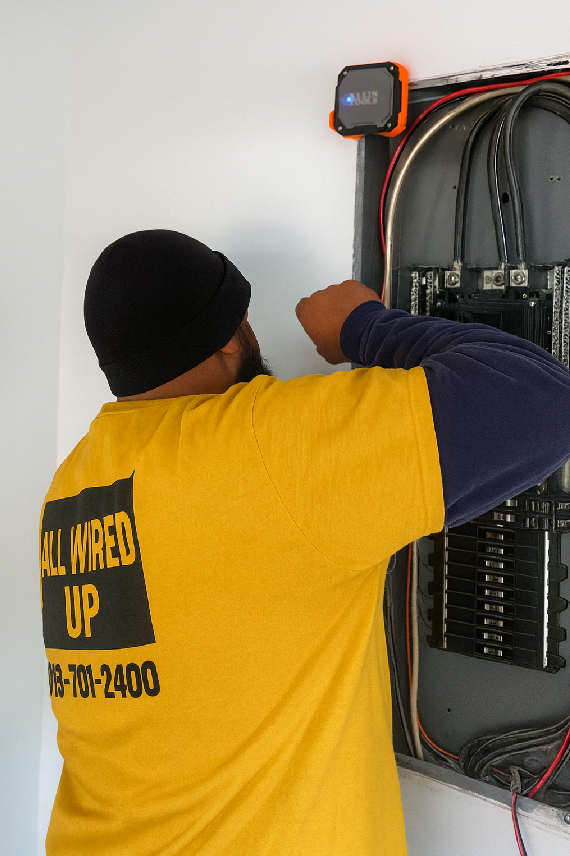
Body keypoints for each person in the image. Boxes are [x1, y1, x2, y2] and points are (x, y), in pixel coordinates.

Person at [40, 229, 570, 856]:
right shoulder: (263, 446)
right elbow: (539, 400)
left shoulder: (74, 484)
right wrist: (361, 325)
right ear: (233, 332)